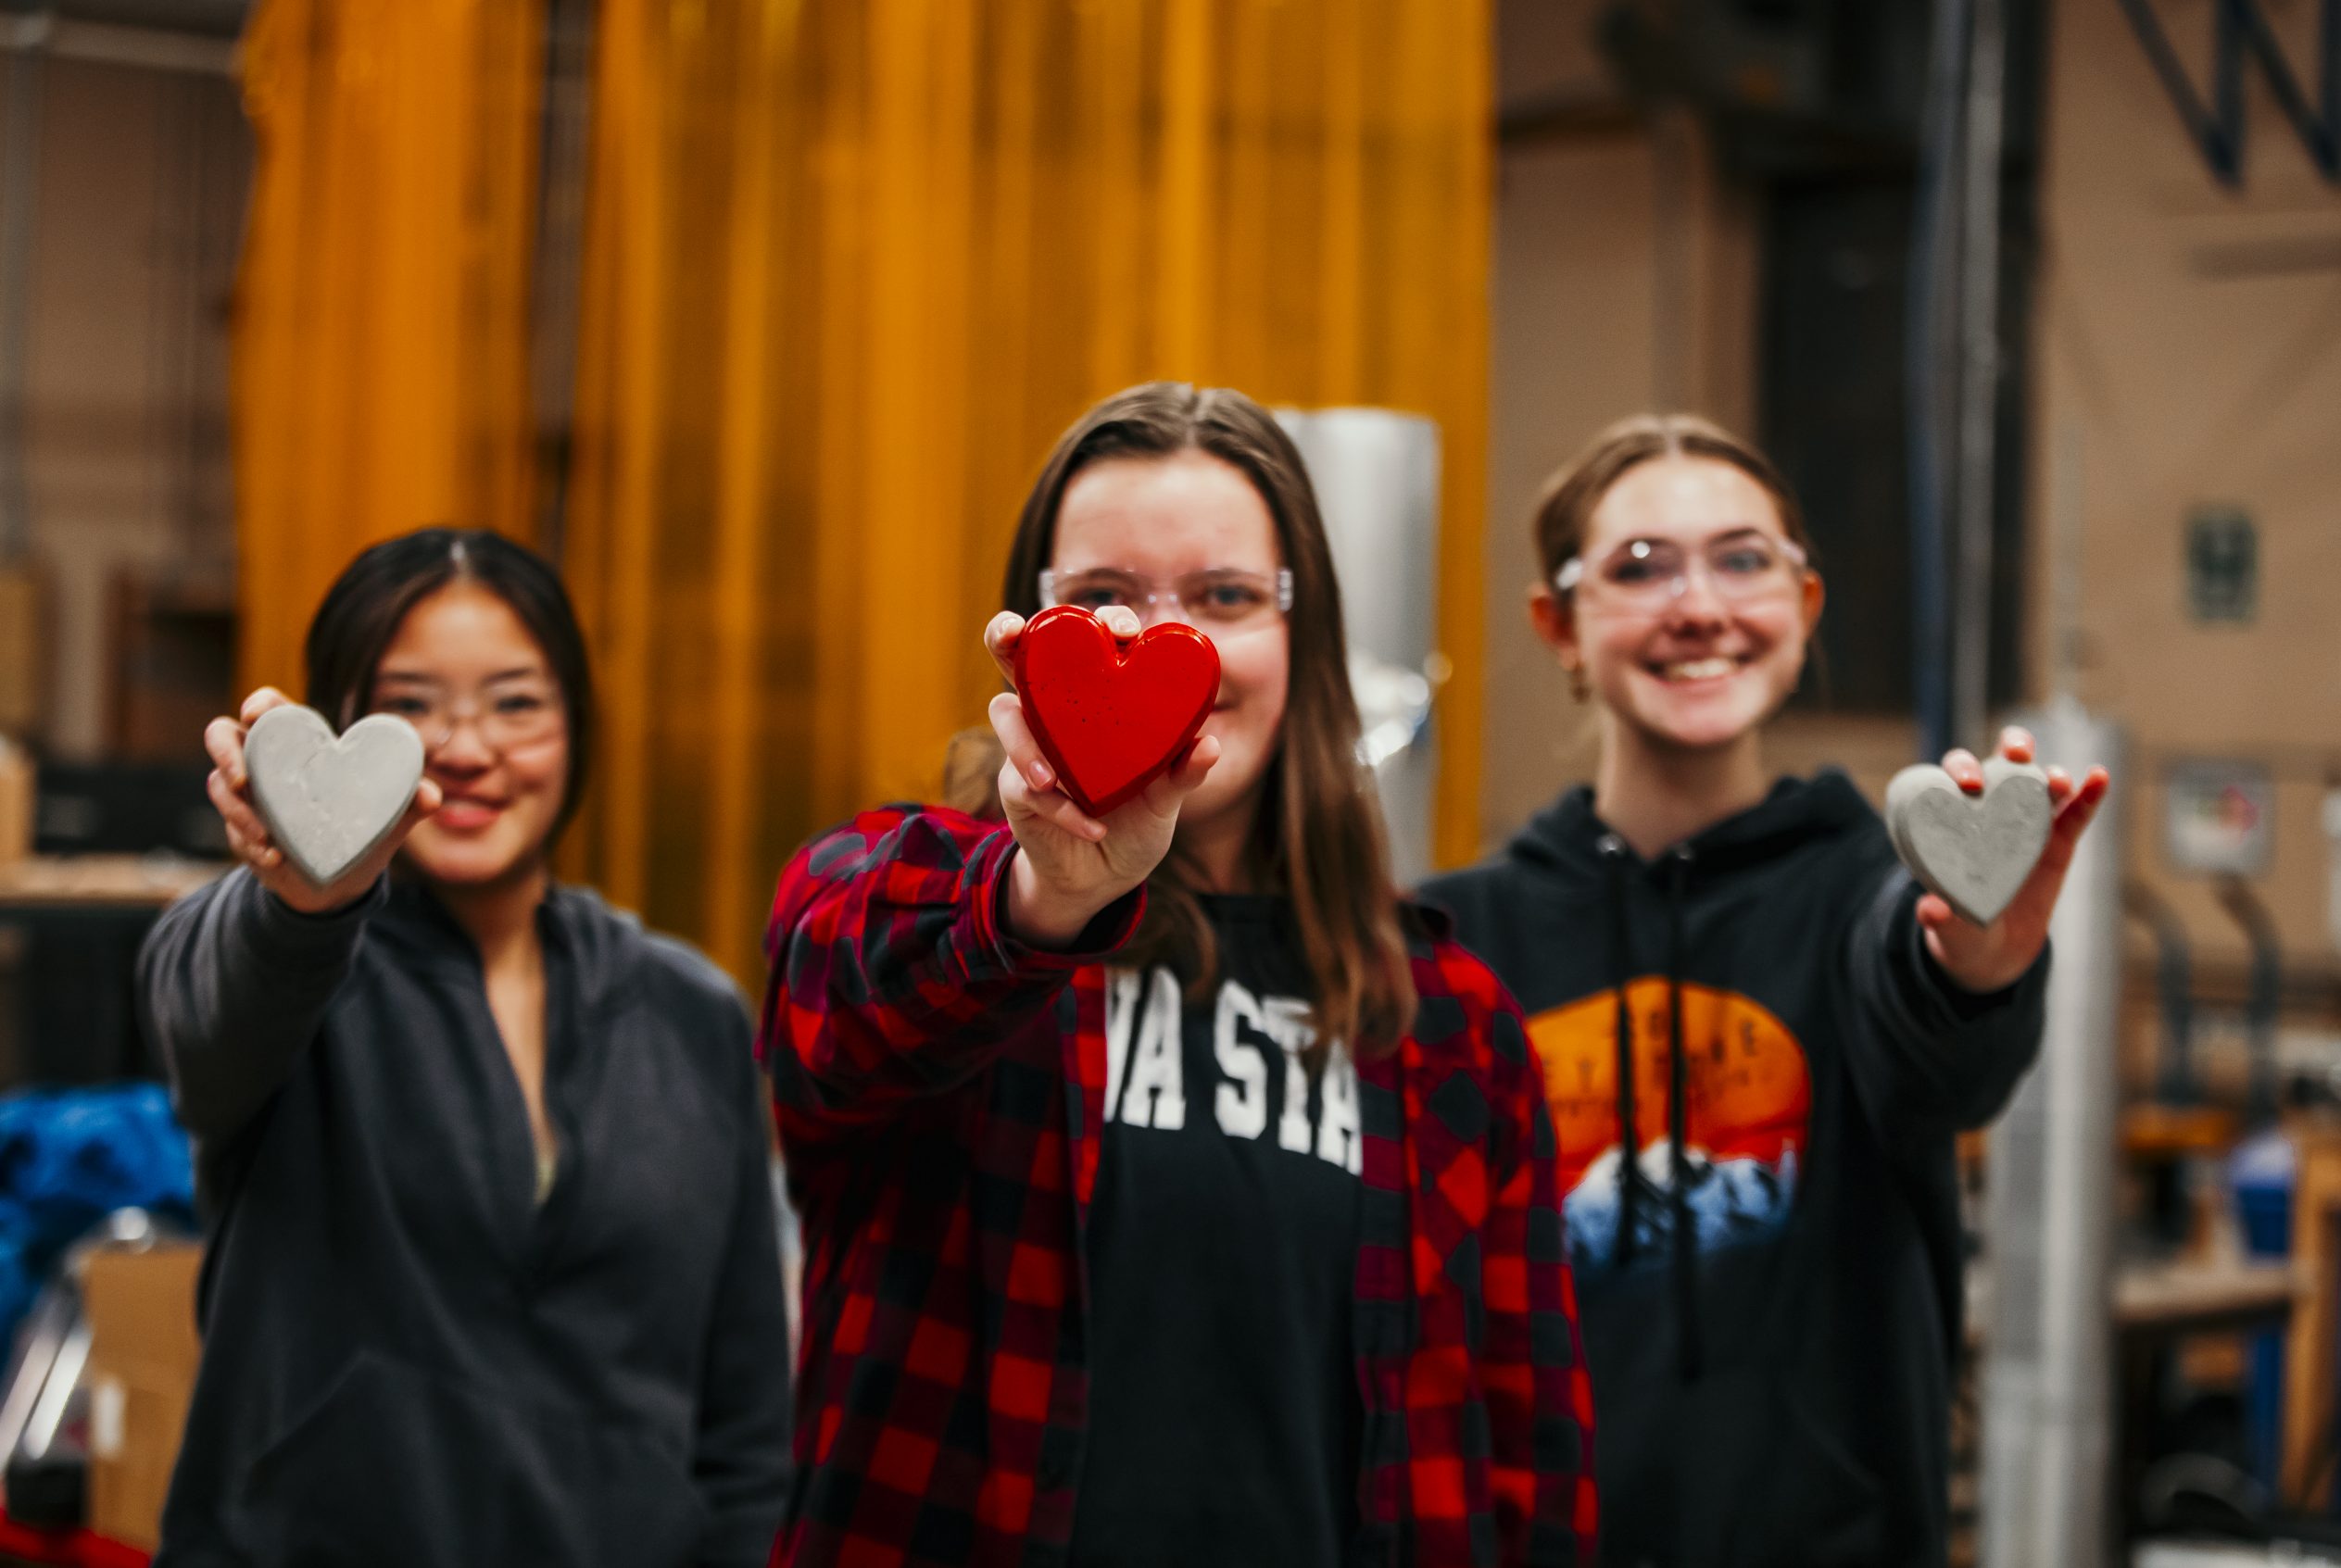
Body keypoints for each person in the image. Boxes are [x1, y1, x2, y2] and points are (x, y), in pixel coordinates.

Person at [760, 383, 1594, 1567]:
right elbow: (833, 1016)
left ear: (1304, 635)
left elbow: (1528, 1460)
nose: (1166, 638)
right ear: (1024, 632)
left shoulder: (1448, 1018)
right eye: (1102, 596)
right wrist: (1048, 900)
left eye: (1225, 596)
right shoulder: (908, 893)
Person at [1421, 414, 2110, 1568]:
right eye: (1639, 567)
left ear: (1804, 607)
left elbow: (1934, 1024)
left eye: (1743, 559)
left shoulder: (1867, 891)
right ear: (1558, 626)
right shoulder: (1455, 935)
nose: (1699, 605)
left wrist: (1976, 956)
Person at [139, 529, 790, 1567]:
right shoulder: (282, 968)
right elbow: (208, 1013)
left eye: (516, 702)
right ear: (338, 729)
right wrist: (307, 900)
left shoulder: (690, 1012)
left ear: (577, 720)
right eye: (409, 703)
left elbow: (747, 1424)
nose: (467, 745)